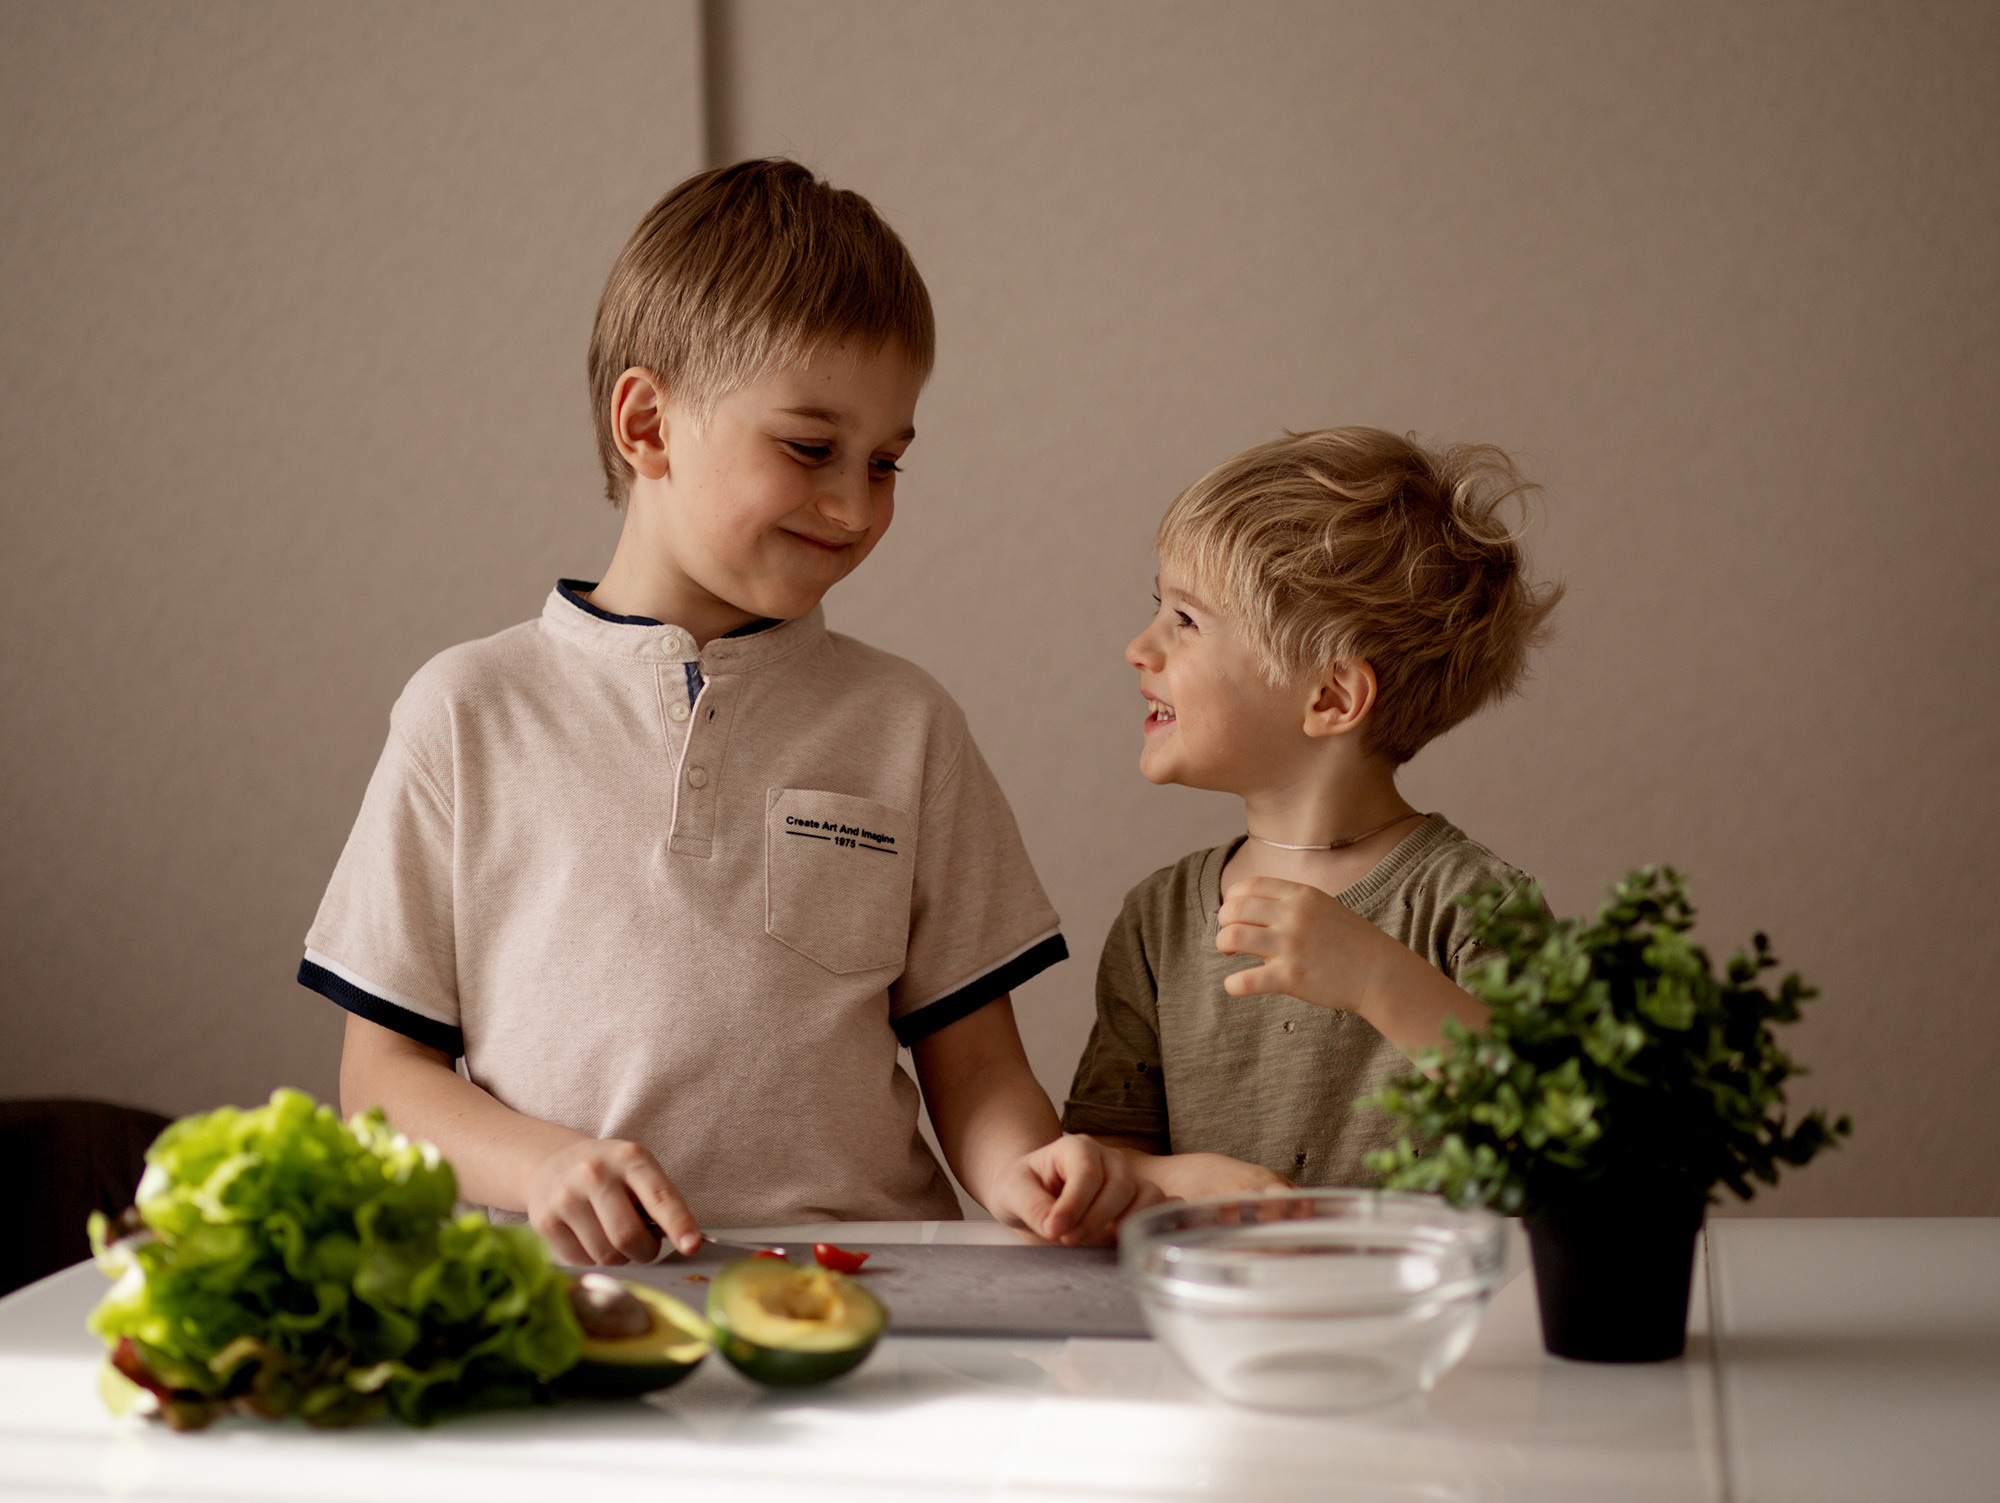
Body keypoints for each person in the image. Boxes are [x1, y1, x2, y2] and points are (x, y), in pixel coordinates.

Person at [302, 159, 1154, 1266]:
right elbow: (382, 1081)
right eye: (810, 448)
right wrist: (544, 1166)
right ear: (647, 423)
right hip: (576, 1303)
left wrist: (1028, 1176)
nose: (854, 504)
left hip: (870, 1296)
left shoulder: (908, 723)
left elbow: (979, 1069)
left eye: (886, 462)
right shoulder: (466, 713)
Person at [1062, 427, 1562, 1198]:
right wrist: (1175, 1178)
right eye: (1158, 607)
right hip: (1219, 1281)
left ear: (1330, 696)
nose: (1139, 646)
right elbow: (1102, 1162)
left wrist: (1378, 979)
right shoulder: (1157, 922)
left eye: (1185, 619)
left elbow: (1567, 1137)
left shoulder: (1475, 907)